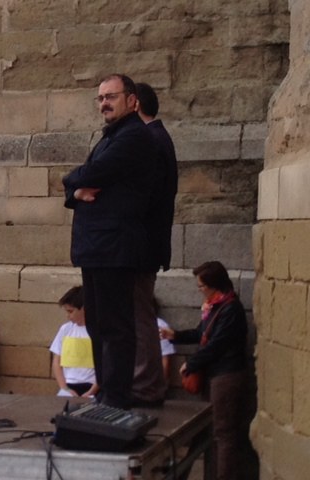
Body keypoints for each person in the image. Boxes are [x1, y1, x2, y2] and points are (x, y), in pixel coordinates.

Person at [62, 73, 157, 409]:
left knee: (115, 326)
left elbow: (90, 173)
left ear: (131, 100)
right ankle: (106, 393)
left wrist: (70, 180)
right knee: (98, 325)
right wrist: (75, 191)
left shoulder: (133, 136)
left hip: (115, 246)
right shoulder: (111, 136)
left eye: (111, 97)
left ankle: (116, 397)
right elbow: (83, 181)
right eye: (101, 98)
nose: (104, 103)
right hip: (97, 247)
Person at [159, 261, 257, 480]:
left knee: (223, 432)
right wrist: (176, 335)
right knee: (212, 431)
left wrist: (192, 363)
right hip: (214, 374)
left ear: (214, 285)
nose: (200, 290)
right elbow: (201, 334)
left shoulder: (231, 309)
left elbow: (217, 344)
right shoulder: (214, 307)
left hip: (226, 374)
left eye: (202, 286)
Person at [130, 82, 179, 406]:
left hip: (141, 245)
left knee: (139, 316)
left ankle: (144, 386)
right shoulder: (156, 138)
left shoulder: (151, 139)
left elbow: (143, 196)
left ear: (134, 104)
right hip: (144, 244)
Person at [49, 286, 98, 398]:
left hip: (92, 387)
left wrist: (92, 391)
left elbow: (105, 366)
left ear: (84, 309)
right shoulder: (65, 329)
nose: (68, 316)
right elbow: (57, 362)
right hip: (69, 385)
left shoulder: (97, 332)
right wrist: (64, 387)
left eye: (70, 311)